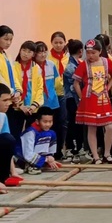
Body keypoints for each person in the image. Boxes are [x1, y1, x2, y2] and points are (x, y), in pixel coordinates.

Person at [73, 39, 112, 164]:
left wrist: (108, 88)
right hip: (89, 98)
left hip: (104, 98)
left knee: (109, 126)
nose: (90, 55)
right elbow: (76, 82)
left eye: (93, 52)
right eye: (88, 52)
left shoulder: (106, 62)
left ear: (100, 51)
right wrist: (82, 97)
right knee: (92, 128)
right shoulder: (83, 64)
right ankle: (95, 156)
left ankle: (107, 153)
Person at [34, 41, 62, 159]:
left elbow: (57, 83)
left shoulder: (51, 64)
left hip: (52, 102)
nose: (42, 54)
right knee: (39, 130)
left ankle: (55, 153)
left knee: (54, 128)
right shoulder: (33, 67)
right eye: (39, 52)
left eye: (44, 51)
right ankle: (38, 155)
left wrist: (56, 95)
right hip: (38, 104)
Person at [10, 41, 43, 138]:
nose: (25, 53)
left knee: (31, 135)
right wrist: (20, 106)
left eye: (29, 51)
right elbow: (13, 85)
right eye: (24, 50)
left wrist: (33, 106)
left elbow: (40, 88)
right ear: (20, 51)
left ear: (33, 54)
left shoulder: (36, 68)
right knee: (14, 134)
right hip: (17, 107)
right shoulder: (13, 66)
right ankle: (14, 153)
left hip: (32, 108)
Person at [16, 106, 60, 175]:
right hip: (22, 158)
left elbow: (51, 150)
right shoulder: (30, 133)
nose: (48, 124)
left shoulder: (51, 133)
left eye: (50, 121)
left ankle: (38, 164)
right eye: (45, 122)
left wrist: (50, 157)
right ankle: (29, 166)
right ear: (37, 121)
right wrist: (45, 160)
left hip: (40, 158)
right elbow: (28, 154)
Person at [48, 31, 68, 160]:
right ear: (52, 43)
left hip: (64, 94)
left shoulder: (67, 58)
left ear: (65, 43)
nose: (58, 45)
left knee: (63, 122)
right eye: (56, 42)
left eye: (61, 42)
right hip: (51, 95)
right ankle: (50, 150)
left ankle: (60, 149)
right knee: (51, 123)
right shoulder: (48, 58)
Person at [63, 39, 84, 164]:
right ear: (80, 51)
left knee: (76, 123)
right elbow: (73, 85)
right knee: (72, 123)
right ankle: (71, 148)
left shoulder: (77, 63)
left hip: (75, 97)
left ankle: (77, 147)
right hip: (72, 98)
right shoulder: (71, 66)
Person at [0, 83, 20, 193]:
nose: (8, 103)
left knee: (8, 140)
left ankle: (3, 179)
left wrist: (13, 172)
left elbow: (8, 145)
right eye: (4, 100)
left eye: (9, 100)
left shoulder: (3, 116)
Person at [0, 25, 22, 109]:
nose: (9, 43)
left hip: (11, 97)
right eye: (6, 39)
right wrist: (11, 91)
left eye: (11, 40)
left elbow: (13, 76)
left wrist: (18, 91)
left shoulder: (7, 55)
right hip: (3, 96)